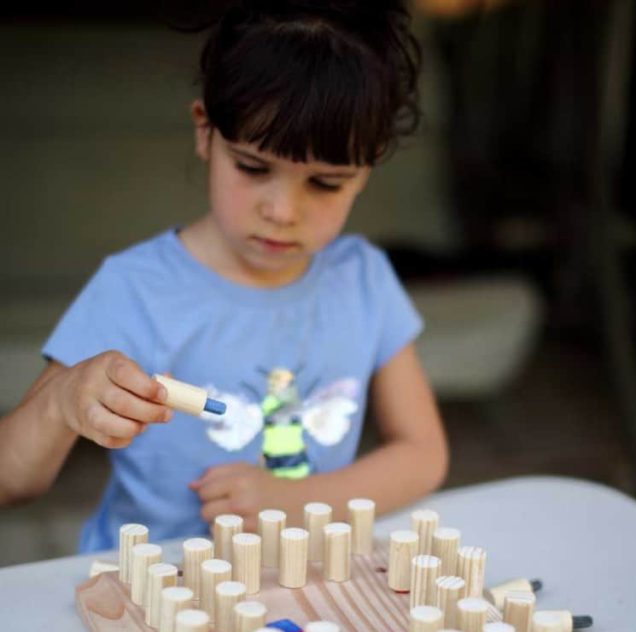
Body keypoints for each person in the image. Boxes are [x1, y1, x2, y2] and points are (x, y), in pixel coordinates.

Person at [0, 0, 448, 550]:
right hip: (148, 586)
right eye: (253, 167)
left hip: (296, 580)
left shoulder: (364, 280)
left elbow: (423, 454)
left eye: (326, 183)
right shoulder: (135, 289)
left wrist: (299, 501)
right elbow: (10, 480)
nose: (282, 211)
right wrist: (60, 402)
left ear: (367, 169)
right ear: (205, 132)